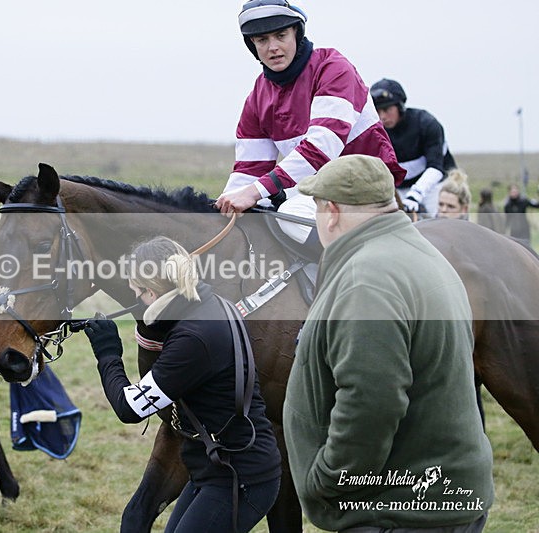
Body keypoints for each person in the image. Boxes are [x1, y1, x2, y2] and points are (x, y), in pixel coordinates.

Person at [283, 155, 494, 532]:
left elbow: (371, 401)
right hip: (434, 496)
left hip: (403, 512)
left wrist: (327, 480)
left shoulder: (368, 279)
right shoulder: (416, 252)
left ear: (330, 212)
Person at [83, 236, 281, 532]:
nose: (135, 298)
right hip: (215, 467)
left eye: (136, 291)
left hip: (240, 477)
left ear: (151, 291)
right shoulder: (210, 305)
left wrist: (107, 353)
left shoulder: (194, 338)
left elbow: (130, 408)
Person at [215, 0, 404, 248]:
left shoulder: (333, 68)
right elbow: (249, 170)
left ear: (296, 33)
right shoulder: (257, 97)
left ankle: (351, 276)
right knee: (259, 218)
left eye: (281, 35)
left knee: (291, 215)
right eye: (262, 40)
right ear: (253, 45)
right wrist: (222, 206)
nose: (273, 47)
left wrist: (254, 192)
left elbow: (321, 148)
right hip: (317, 190)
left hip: (365, 184)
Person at [371, 78, 457, 217]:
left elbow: (436, 167)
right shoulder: (375, 132)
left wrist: (416, 194)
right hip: (399, 189)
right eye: (378, 111)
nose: (382, 117)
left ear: (399, 106)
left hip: (433, 187)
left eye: (387, 109)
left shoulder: (426, 124)